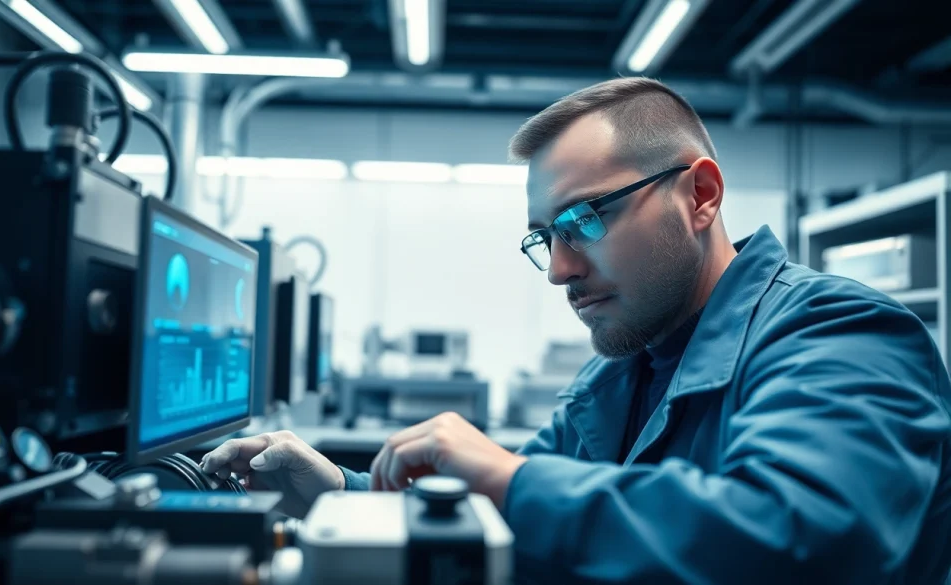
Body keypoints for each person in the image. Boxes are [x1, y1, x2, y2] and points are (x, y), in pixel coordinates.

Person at [202, 77, 951, 583]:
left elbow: (803, 536)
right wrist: (342, 492)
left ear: (701, 194)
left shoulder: (841, 333)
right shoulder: (621, 371)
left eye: (585, 220)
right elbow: (517, 513)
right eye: (545, 237)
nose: (560, 270)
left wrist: (509, 472)